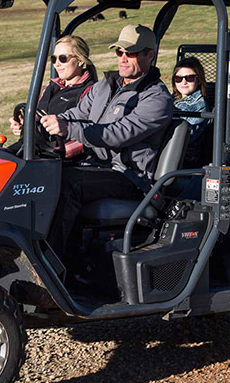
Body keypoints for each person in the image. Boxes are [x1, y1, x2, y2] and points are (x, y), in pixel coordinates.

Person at [39, 24, 174, 260]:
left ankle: (51, 265)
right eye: (119, 52)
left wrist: (69, 129)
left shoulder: (156, 98)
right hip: (97, 166)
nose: (122, 59)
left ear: (149, 55)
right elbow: (78, 112)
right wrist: (47, 121)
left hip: (129, 176)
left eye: (130, 53)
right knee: (41, 173)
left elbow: (117, 134)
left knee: (69, 182)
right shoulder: (107, 85)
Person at [7, 35, 95, 155]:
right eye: (54, 59)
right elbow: (38, 118)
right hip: (33, 148)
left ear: (80, 60)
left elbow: (91, 134)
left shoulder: (90, 92)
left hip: (58, 159)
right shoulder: (51, 87)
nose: (57, 64)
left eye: (63, 58)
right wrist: (24, 126)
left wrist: (61, 152)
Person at [171, 57, 210, 167]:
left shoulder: (199, 107)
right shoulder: (172, 100)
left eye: (189, 78)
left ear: (198, 80)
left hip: (182, 157)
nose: (184, 82)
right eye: (178, 78)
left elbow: (186, 137)